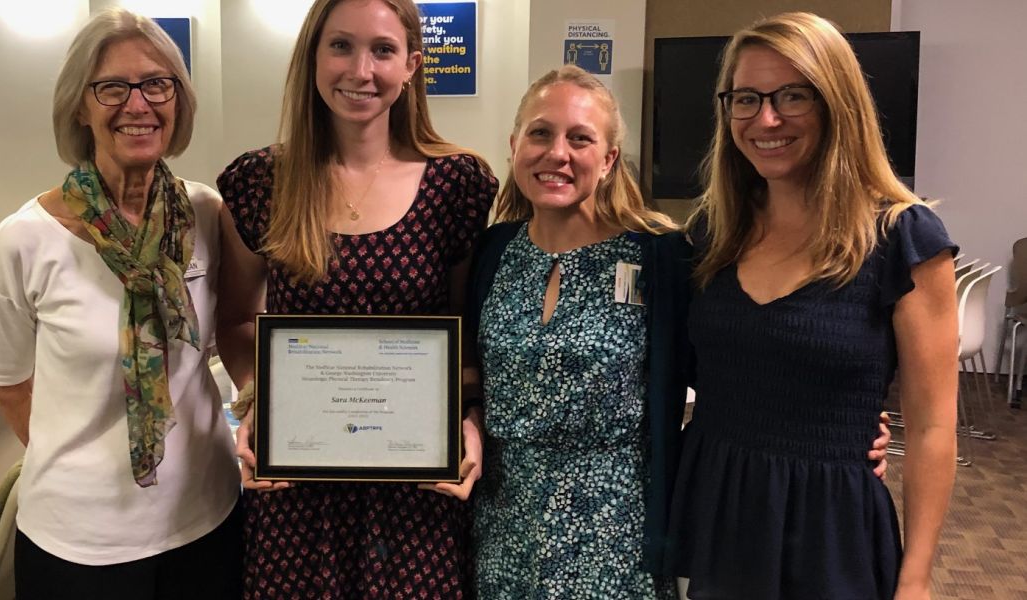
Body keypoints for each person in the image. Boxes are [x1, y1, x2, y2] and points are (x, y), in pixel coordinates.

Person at [667, 12, 957, 600]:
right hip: (723, 511)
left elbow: (930, 427)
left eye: (792, 95)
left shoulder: (903, 237)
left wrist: (918, 579)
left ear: (837, 104)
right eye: (746, 98)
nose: (765, 118)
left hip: (832, 527)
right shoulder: (710, 236)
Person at [214, 0, 497, 597]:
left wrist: (469, 420)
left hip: (416, 490)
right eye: (340, 46)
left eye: (383, 50)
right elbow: (238, 320)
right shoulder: (262, 183)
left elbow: (466, 329)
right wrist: (255, 399)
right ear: (312, 56)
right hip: (298, 489)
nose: (360, 70)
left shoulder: (456, 184)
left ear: (413, 64)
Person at [0, 8, 241, 599]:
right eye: (112, 88)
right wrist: (86, 469)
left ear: (179, 99)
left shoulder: (205, 214)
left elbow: (230, 334)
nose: (138, 104)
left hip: (207, 516)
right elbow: (9, 382)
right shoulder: (23, 239)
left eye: (157, 84)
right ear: (80, 105)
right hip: (79, 542)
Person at [465, 65, 686, 599]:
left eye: (580, 138)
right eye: (540, 133)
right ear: (515, 144)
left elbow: (726, 365)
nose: (557, 153)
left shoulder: (658, 256)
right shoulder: (494, 252)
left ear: (608, 159)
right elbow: (470, 371)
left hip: (616, 536)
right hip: (502, 527)